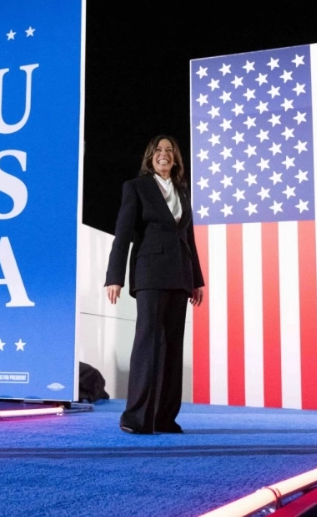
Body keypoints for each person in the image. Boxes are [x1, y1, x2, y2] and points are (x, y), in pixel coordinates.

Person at [105, 136, 204, 434]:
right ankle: (136, 417)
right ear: (150, 157)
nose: (164, 155)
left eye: (169, 151)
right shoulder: (136, 187)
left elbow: (189, 238)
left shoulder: (182, 192)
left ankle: (163, 417)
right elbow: (123, 233)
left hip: (180, 276)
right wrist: (114, 276)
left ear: (176, 159)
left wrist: (196, 280)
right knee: (149, 343)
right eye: (158, 151)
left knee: (173, 347)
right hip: (150, 273)